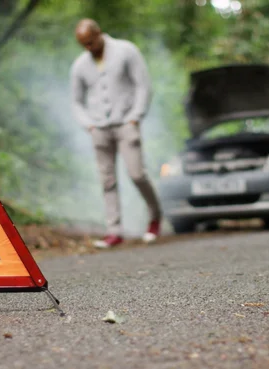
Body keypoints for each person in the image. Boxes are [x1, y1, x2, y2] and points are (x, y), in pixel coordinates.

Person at [70, 18, 162, 248]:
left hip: (125, 124)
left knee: (137, 174)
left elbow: (143, 85)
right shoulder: (80, 65)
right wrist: (88, 124)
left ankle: (155, 216)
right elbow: (76, 101)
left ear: (99, 33)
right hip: (99, 129)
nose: (89, 48)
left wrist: (135, 117)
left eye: (91, 42)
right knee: (107, 180)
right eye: (84, 45)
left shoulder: (126, 50)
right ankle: (114, 231)